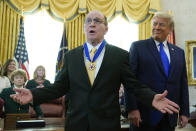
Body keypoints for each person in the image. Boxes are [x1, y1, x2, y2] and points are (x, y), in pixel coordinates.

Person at [10, 10, 179, 131]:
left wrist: (151, 98)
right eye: (88, 21)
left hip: (106, 124)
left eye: (97, 21)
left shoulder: (120, 56)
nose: (92, 23)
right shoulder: (71, 56)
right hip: (77, 123)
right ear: (84, 28)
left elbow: (133, 86)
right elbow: (59, 88)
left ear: (106, 28)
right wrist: (33, 94)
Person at [125, 12, 189, 131]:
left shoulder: (179, 52)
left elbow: (182, 83)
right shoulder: (138, 47)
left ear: (170, 29)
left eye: (161, 24)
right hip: (144, 116)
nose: (157, 27)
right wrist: (132, 109)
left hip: (169, 117)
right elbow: (130, 81)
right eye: (154, 24)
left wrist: (185, 112)